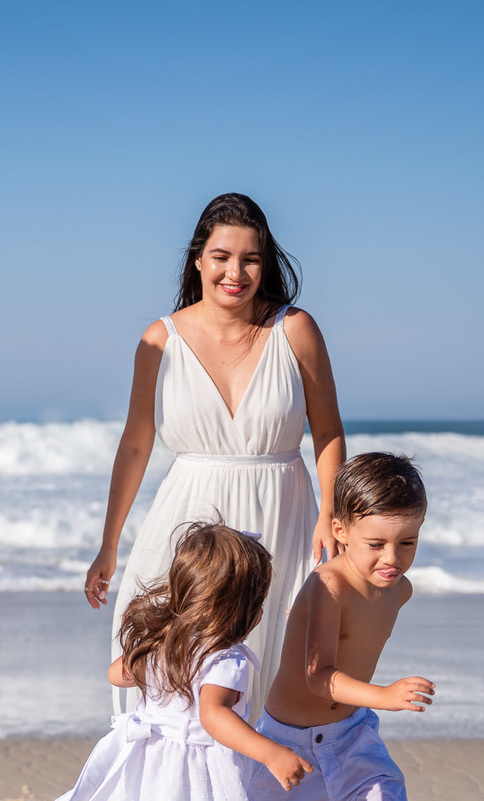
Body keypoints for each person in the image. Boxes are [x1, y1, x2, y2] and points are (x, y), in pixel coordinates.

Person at [84, 193, 345, 718]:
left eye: (251, 258)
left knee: (272, 669)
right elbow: (136, 443)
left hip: (282, 518)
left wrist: (329, 514)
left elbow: (329, 433)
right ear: (198, 259)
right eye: (222, 256)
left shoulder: (295, 330)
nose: (236, 272)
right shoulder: (161, 339)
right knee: (169, 666)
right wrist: (108, 545)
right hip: (188, 518)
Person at [57, 524, 313, 801]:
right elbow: (214, 716)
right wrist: (271, 753)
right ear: (238, 610)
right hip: (193, 769)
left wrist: (151, 647)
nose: (261, 611)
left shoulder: (163, 641)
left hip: (146, 757)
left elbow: (116, 675)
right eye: (259, 602)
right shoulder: (225, 657)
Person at [246, 453, 432, 800]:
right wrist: (384, 696)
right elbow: (318, 678)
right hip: (289, 743)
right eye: (376, 545)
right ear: (340, 531)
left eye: (407, 542)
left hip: (352, 735)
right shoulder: (329, 586)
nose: (392, 558)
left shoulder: (399, 591)